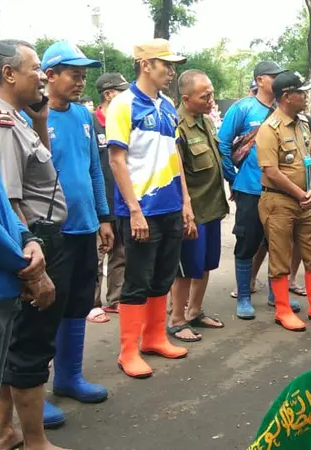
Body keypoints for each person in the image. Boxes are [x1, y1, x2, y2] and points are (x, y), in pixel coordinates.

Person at [0, 38, 73, 449]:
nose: (42, 76)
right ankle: (34, 441)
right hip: (18, 256)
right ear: (7, 72)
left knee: (8, 351)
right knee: (29, 346)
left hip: (26, 247)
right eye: (35, 68)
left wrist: (39, 120)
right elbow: (6, 205)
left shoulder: (14, 119)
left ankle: (5, 431)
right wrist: (31, 264)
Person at [106, 39, 196, 379]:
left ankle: (155, 337)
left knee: (164, 274)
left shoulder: (169, 106)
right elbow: (117, 160)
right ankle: (128, 350)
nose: (171, 71)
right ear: (146, 65)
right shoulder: (123, 105)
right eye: (165, 64)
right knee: (137, 279)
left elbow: (175, 157)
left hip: (171, 205)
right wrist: (133, 210)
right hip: (141, 209)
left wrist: (186, 202)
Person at [41, 38, 115, 407]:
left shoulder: (84, 116)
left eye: (83, 76)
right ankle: (34, 390)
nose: (80, 82)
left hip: (85, 226)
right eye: (73, 74)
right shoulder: (32, 116)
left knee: (78, 302)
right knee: (44, 310)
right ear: (49, 75)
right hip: (51, 232)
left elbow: (95, 172)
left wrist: (103, 217)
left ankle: (69, 378)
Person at [255, 70, 311, 331]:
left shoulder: (304, 123)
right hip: (279, 202)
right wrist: (301, 193)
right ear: (286, 96)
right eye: (301, 92)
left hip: (307, 200)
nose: (306, 96)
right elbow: (270, 170)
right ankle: (283, 309)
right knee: (281, 256)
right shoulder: (268, 129)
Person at [217, 60, 301, 320]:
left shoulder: (282, 109)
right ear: (261, 79)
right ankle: (244, 296)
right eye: (273, 76)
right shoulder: (242, 108)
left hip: (279, 191)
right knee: (246, 241)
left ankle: (277, 296)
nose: (277, 80)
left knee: (278, 242)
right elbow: (222, 145)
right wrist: (234, 178)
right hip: (250, 190)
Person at [168, 69, 228, 343]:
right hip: (192, 210)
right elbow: (175, 174)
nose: (211, 100)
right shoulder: (176, 126)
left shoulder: (206, 122)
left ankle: (194, 311)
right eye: (205, 96)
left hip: (212, 207)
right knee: (185, 268)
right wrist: (185, 209)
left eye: (212, 94)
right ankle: (177, 319)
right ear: (187, 97)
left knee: (205, 263)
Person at [91, 72, 130, 321]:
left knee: (121, 253)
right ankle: (91, 302)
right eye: (122, 92)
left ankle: (115, 299)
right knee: (97, 254)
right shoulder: (92, 122)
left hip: (122, 200)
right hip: (99, 201)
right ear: (109, 94)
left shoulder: (125, 121)